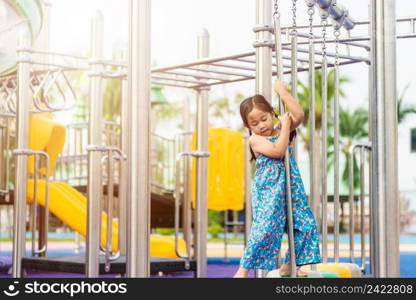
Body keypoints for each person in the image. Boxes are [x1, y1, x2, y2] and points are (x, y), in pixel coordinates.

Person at [233, 80, 321, 278]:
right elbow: (278, 150)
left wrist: (282, 92)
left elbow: (298, 115)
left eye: (264, 119)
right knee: (265, 228)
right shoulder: (255, 140)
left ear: (272, 114)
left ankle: (289, 264)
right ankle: (243, 270)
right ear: (248, 126)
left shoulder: (281, 130)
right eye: (254, 123)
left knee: (305, 225)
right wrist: (285, 127)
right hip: (269, 188)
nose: (261, 126)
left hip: (291, 185)